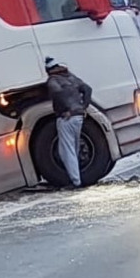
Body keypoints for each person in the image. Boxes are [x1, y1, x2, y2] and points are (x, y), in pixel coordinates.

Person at [45, 57, 93, 188]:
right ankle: (77, 177)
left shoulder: (53, 80)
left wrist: (67, 110)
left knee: (66, 151)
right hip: (79, 116)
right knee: (74, 148)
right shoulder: (71, 77)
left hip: (67, 118)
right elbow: (88, 89)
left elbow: (58, 94)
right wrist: (84, 107)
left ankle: (75, 181)